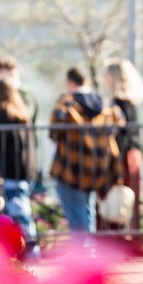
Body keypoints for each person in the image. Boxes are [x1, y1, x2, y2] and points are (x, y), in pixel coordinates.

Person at [49, 67, 125, 248]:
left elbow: (54, 130)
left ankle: (82, 252)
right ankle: (88, 250)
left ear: (70, 82)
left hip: (71, 165)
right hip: (97, 167)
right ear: (87, 82)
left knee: (74, 211)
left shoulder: (66, 103)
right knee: (87, 209)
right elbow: (121, 122)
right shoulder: (106, 103)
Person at [0, 77, 39, 260]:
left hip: (12, 169)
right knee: (22, 209)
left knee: (18, 210)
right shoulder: (21, 112)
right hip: (25, 168)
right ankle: (31, 249)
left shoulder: (2, 112)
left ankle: (29, 251)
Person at [103, 58, 143, 230]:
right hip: (131, 155)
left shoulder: (119, 104)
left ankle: (119, 241)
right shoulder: (130, 103)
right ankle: (129, 237)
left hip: (122, 157)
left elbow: (122, 136)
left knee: (121, 199)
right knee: (128, 201)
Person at [0, 55, 39, 125]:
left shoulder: (26, 95)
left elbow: (25, 118)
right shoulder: (3, 96)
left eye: (0, 73)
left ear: (12, 72)